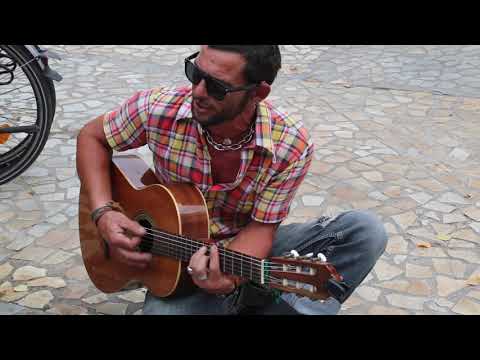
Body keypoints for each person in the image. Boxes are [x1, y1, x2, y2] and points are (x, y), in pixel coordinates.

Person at [76, 45, 388, 315]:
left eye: (216, 87)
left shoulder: (289, 144)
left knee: (365, 232)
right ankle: (260, 301)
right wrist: (103, 212)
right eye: (195, 73)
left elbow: (262, 229)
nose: (197, 91)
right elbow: (92, 137)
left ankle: (259, 295)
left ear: (258, 93)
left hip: (243, 253)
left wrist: (230, 278)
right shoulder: (158, 108)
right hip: (176, 262)